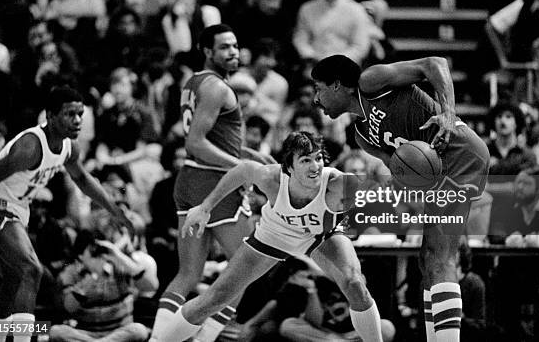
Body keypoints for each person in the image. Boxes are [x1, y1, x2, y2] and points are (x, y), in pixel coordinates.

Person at [311, 54, 490, 342]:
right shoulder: (361, 136)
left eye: (318, 89)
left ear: (337, 85)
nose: (315, 100)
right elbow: (403, 175)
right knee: (427, 260)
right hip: (437, 173)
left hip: (460, 155)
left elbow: (435, 64)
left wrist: (448, 113)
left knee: (440, 257)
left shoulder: (370, 82)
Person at [152, 131, 385, 342]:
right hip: (275, 234)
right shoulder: (271, 178)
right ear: (289, 167)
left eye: (318, 158)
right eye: (305, 160)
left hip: (321, 234)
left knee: (355, 283)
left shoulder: (338, 183)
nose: (315, 166)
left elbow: (385, 196)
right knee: (215, 298)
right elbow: (242, 170)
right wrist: (205, 208)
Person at [0, 85, 130, 342]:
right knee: (31, 269)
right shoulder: (29, 148)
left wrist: (114, 211)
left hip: (18, 208)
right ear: (50, 116)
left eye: (80, 114)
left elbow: (83, 179)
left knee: (14, 278)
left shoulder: (69, 148)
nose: (77, 120)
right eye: (69, 114)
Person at [150, 24, 251, 341]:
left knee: (189, 273)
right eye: (224, 47)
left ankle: (159, 338)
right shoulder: (218, 88)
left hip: (190, 179)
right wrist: (243, 168)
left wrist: (254, 159)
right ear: (207, 51)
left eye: (235, 45)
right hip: (214, 181)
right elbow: (195, 142)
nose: (232, 52)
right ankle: (203, 339)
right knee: (244, 268)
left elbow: (220, 141)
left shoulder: (193, 82)